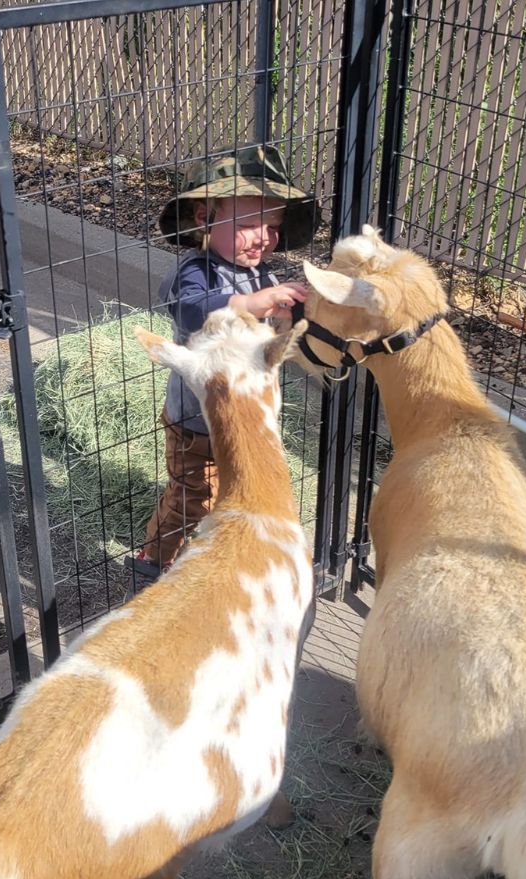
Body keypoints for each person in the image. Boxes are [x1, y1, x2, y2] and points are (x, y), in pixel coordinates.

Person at [127, 145, 319, 592]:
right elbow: (191, 313)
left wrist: (286, 316)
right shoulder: (196, 273)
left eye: (271, 226)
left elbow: (270, 335)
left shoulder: (265, 276)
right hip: (196, 420)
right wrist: (251, 304)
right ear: (203, 217)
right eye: (249, 224)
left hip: (249, 416)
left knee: (242, 490)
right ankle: (153, 561)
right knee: (191, 497)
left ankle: (228, 555)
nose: (263, 237)